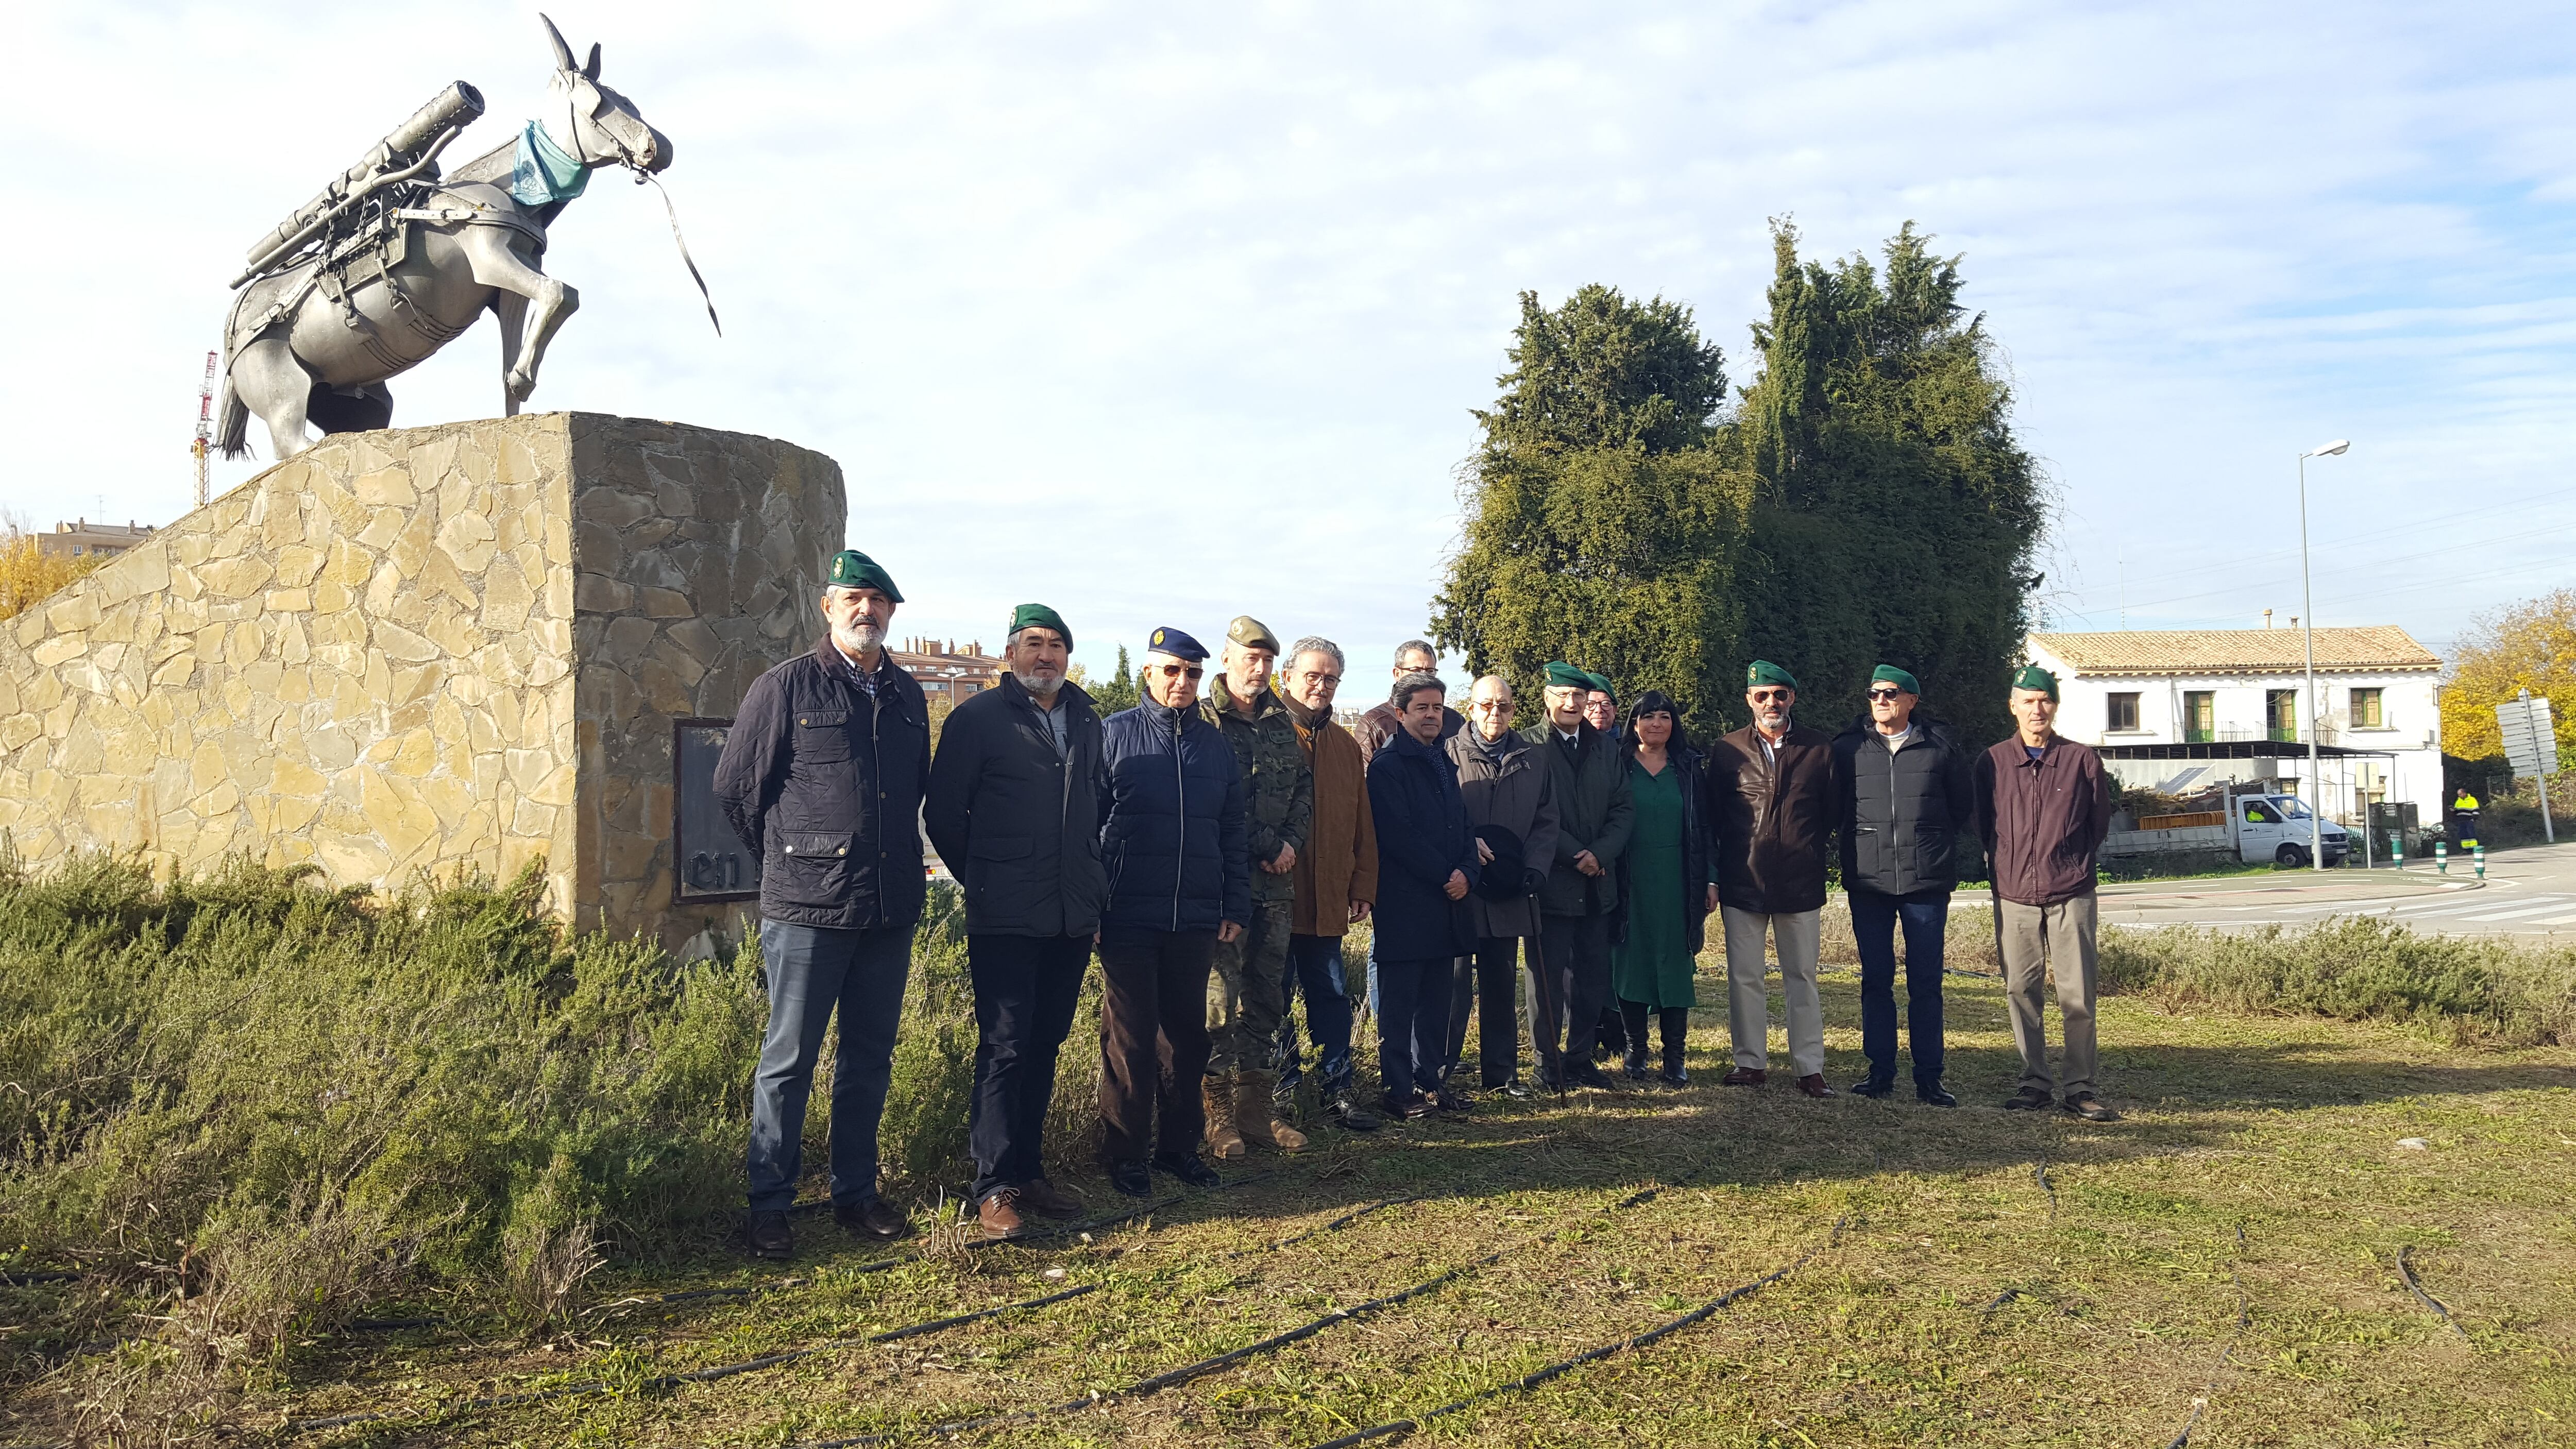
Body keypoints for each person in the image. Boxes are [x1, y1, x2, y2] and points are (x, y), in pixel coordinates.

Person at [714, 549, 929, 1259]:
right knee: (789, 1060)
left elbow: (913, 795)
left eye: (877, 599)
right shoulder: (785, 688)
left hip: (887, 908)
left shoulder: (908, 696)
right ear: (828, 609)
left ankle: (855, 1193)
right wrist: (792, 860)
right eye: (853, 599)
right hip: (807, 911)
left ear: (892, 611)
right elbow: (737, 791)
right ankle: (770, 1205)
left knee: (869, 1058)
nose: (865, 610)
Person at [922, 603, 1106, 1241]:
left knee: (1047, 1044)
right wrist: (987, 877)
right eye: (1034, 643)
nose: (1046, 655)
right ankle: (993, 1185)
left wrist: (1089, 882)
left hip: (1070, 914)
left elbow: (1098, 807)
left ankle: (1030, 1171)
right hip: (1004, 915)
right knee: (1004, 1047)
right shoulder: (977, 719)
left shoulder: (1086, 719)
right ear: (1011, 653)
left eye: (1057, 644)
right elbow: (944, 813)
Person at [1094, 627, 1250, 1197]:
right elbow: (1088, 829)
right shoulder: (1113, 736)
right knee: (1130, 1038)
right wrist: (1093, 906)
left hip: (1195, 916)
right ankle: (1125, 1152)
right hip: (1126, 914)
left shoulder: (1215, 747)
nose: (1180, 681)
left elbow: (1232, 830)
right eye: (1170, 670)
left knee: (1186, 1037)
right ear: (1148, 674)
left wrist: (1233, 902)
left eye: (1190, 672)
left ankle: (1178, 1147)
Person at [1974, 665, 2119, 1121]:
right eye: (2028, 700)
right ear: (2012, 705)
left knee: (2077, 994)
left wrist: (2070, 862)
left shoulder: (2081, 760)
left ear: (2055, 706)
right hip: (2014, 893)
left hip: (2071, 890)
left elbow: (2097, 824)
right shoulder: (1992, 761)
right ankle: (2033, 1082)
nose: (2037, 709)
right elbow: (1983, 826)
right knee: (2021, 989)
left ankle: (2081, 1087)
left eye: (2045, 700)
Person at [1829, 665, 1974, 1108]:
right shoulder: (1848, 749)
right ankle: (1880, 1072)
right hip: (1869, 881)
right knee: (1876, 979)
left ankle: (1930, 1077)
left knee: (1925, 982)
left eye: (1891, 693)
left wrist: (1933, 844)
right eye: (1874, 693)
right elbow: (1834, 810)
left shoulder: (1940, 748)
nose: (1881, 700)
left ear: (1912, 700)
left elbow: (1962, 807)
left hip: (1924, 881)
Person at [1197, 617, 1314, 1159]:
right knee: (1219, 1002)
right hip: (1226, 885)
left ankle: (1255, 1112)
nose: (1260, 668)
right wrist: (1269, 844)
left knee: (1267, 999)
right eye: (1250, 657)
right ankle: (1217, 1118)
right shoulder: (1204, 718)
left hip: (1277, 886)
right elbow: (1218, 803)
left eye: (1268, 659)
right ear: (1227, 659)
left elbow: (1303, 789)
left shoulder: (1277, 722)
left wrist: (1290, 841)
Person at [1709, 660, 1841, 1099]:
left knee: (1801, 975)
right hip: (1742, 879)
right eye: (1762, 695)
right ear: (1749, 700)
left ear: (1792, 698)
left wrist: (1803, 848)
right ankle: (1749, 1062)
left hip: (1799, 881)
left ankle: (1810, 1067)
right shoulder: (1727, 750)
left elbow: (1830, 814)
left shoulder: (1820, 749)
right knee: (1744, 975)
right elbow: (1715, 818)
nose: (1772, 702)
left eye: (1779, 694)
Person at [1272, 636, 1382, 1132]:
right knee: (1272, 996)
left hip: (1328, 897)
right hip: (1274, 897)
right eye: (1313, 675)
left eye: (1331, 678)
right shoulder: (1267, 732)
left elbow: (1363, 823)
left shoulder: (1342, 744)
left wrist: (1363, 885)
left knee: (1332, 994)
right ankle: (1280, 1090)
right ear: (1288, 676)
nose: (1321, 685)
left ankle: (1338, 1085)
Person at [1368, 672, 1481, 1118]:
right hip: (1406, 902)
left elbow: (1463, 826)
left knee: (1437, 999)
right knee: (1400, 1003)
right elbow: (1399, 835)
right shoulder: (1388, 766)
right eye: (1422, 708)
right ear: (1400, 714)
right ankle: (1398, 1090)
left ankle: (1430, 1079)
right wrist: (1447, 874)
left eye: (1437, 707)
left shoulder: (1443, 761)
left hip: (1448, 901)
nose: (1432, 715)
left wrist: (1469, 870)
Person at [1444, 674, 1560, 1095]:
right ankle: (1441, 1070)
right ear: (1471, 707)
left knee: (1500, 983)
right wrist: (1462, 846)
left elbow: (1548, 820)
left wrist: (1536, 867)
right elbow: (1438, 814)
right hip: (1461, 887)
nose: (1496, 713)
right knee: (1453, 987)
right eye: (1487, 704)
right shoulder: (1447, 753)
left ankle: (1501, 1073)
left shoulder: (1535, 757)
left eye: (1504, 706)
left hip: (1511, 887)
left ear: (1515, 709)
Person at [1527, 661, 1634, 1092]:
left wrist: (1601, 853)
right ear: (1548, 699)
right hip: (1551, 881)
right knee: (1546, 979)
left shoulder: (1606, 747)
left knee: (1592, 978)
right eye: (1563, 696)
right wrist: (1577, 854)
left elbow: (1624, 809)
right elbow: (1532, 813)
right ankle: (1545, 1063)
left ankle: (1581, 1056)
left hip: (1597, 884)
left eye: (1579, 697)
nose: (1571, 704)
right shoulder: (1529, 745)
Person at [1609, 690, 1714, 1087]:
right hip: (1629, 878)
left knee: (1674, 966)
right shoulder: (1618, 764)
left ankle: (1675, 1057)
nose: (1657, 723)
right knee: (1630, 962)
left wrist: (1711, 878)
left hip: (1677, 878)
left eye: (1665, 716)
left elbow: (1705, 828)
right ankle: (1636, 1049)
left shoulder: (1688, 767)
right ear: (1634, 722)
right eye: (1648, 716)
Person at [1580, 669, 1628, 1061]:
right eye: (1591, 704)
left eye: (1606, 704)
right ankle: (1589, 1026)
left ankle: (1618, 1023)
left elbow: (1623, 809)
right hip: (1581, 865)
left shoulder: (1628, 749)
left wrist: (1606, 852)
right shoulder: (1574, 748)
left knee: (1617, 947)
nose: (1598, 711)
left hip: (1622, 864)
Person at [1353, 639, 1464, 763]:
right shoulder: (1375, 723)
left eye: (1430, 671)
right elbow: (1363, 777)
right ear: (1397, 674)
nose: (1424, 677)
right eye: (1415, 670)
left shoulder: (1455, 721)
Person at [2452, 786, 2482, 850]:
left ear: (2464, 793)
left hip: (2469, 820)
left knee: (2471, 834)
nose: (2459, 796)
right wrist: (2453, 811)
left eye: (2460, 794)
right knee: (2463, 835)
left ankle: (2474, 849)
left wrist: (2473, 819)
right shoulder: (2458, 801)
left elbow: (2476, 810)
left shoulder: (2472, 800)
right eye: (2458, 795)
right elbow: (2456, 810)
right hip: (2461, 821)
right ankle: (2466, 849)